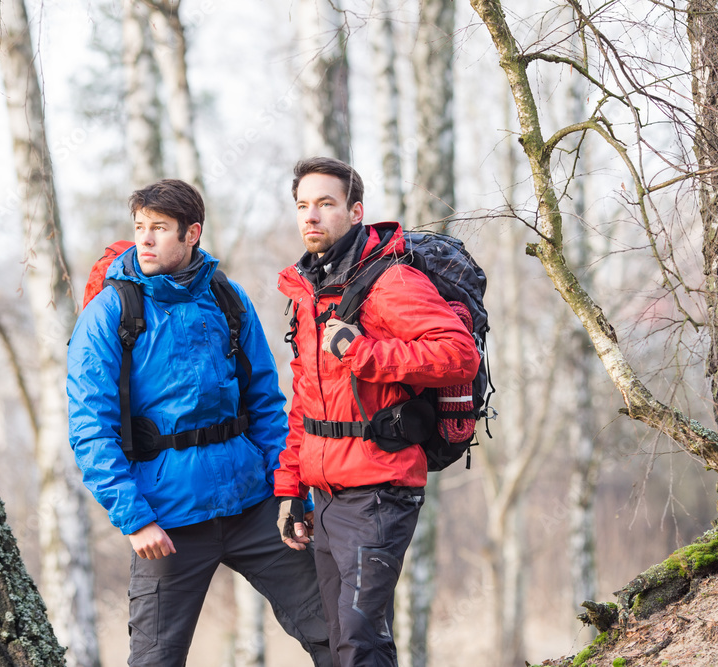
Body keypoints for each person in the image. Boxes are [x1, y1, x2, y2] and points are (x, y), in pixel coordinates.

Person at [67, 178, 330, 666]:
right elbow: (90, 430)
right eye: (140, 227)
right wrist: (135, 520)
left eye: (159, 228)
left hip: (254, 504)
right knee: (155, 661)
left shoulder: (227, 298)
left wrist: (291, 492)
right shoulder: (110, 313)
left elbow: (266, 406)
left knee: (334, 635)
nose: (145, 239)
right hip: (167, 521)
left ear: (192, 234)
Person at [275, 157, 481, 666]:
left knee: (358, 642)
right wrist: (291, 489)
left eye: (326, 204)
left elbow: (458, 354)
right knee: (342, 640)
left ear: (355, 211)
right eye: (303, 205)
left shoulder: (390, 281)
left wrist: (362, 352)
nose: (311, 216)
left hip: (379, 492)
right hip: (325, 494)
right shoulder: (309, 289)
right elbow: (306, 399)